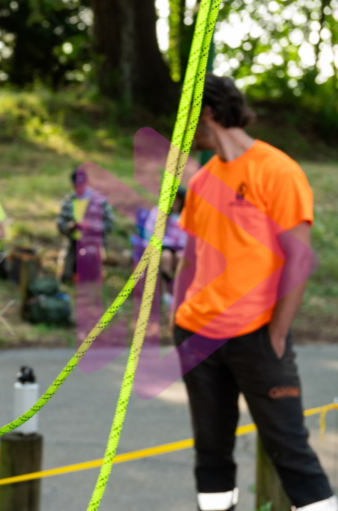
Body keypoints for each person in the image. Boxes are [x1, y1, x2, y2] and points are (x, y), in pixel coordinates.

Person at [170, 74, 336, 511]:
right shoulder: (204, 180)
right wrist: (177, 318)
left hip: (258, 336)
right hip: (198, 336)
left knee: (291, 453)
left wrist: (277, 334)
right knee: (211, 455)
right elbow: (189, 259)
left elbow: (298, 260)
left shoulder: (277, 170)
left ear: (206, 113)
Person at [56, 168, 114, 284]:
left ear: (87, 182)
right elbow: (60, 224)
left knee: (91, 278)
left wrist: (92, 226)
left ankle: (95, 274)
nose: (79, 188)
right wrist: (70, 226)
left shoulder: (100, 201)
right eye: (76, 186)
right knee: (66, 278)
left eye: (82, 185)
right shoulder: (68, 201)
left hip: (94, 242)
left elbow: (109, 225)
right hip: (73, 242)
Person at [142, 186, 187, 306]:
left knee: (181, 258)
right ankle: (165, 293)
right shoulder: (158, 212)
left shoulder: (186, 214)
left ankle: (179, 293)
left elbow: (190, 236)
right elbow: (149, 233)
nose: (174, 202)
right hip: (162, 246)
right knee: (166, 257)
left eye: (177, 199)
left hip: (181, 247)